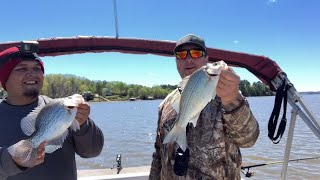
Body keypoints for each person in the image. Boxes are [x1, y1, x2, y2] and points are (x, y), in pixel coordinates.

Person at [149, 34, 260, 180]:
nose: (188, 59)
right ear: (176, 61)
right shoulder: (166, 103)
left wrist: (232, 99)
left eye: (196, 53)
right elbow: (158, 154)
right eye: (181, 54)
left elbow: (248, 140)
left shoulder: (226, 94)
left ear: (206, 59)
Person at [0, 45, 104, 180]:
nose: (32, 73)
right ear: (5, 79)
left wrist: (84, 124)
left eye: (37, 68)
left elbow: (92, 151)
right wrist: (11, 160)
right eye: (21, 68)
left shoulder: (58, 107)